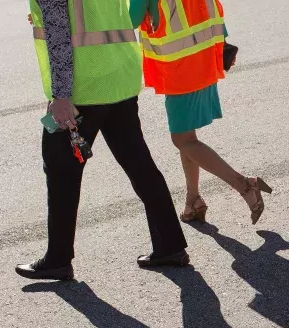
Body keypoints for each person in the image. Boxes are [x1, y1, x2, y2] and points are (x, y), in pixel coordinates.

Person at [16, 0, 191, 282]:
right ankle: (170, 244)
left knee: (61, 170)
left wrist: (61, 96)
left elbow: (61, 36)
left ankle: (58, 259)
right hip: (119, 75)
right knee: (139, 164)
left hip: (85, 87)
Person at [130, 0, 272, 225]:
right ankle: (193, 200)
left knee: (183, 140)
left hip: (180, 69)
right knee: (187, 136)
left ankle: (245, 185)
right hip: (203, 59)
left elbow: (131, 20)